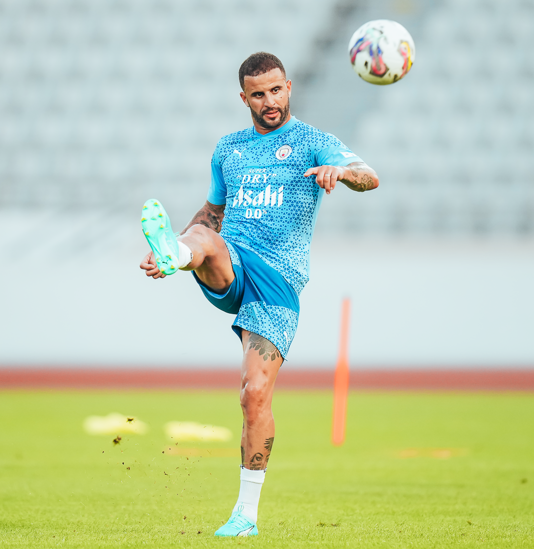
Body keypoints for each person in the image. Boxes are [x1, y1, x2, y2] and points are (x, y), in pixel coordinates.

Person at [139, 52, 379, 536]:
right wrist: (179, 250)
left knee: (253, 395)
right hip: (232, 261)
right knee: (204, 239)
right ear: (243, 97)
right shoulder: (229, 149)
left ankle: (245, 514)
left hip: (278, 283)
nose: (269, 101)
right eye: (258, 93)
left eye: (276, 90)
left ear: (288, 87)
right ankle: (172, 253)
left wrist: (341, 173)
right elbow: (210, 215)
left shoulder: (313, 141)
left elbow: (369, 176)